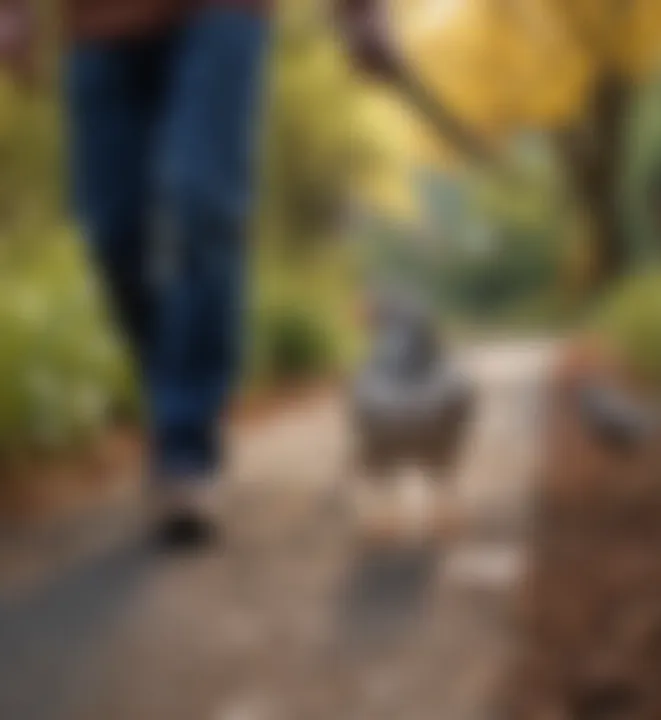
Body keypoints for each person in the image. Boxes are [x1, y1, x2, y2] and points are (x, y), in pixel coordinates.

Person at [0, 0, 397, 549]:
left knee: (202, 207)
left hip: (223, 17)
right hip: (95, 26)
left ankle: (186, 451)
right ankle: (173, 399)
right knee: (111, 230)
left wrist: (363, 13)